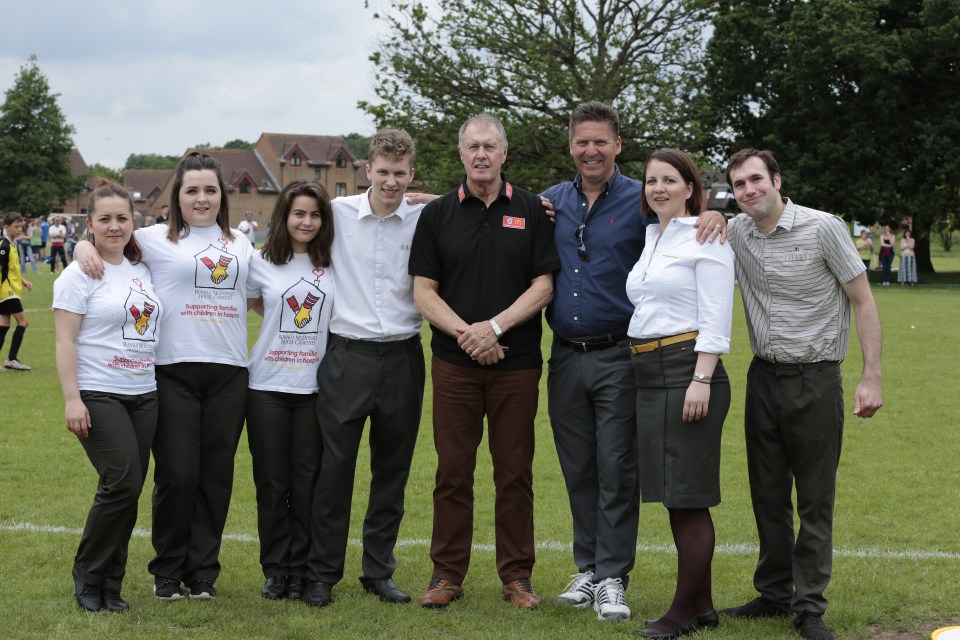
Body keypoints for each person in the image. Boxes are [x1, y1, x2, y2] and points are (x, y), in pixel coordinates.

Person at [541, 103, 728, 621]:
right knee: (578, 467)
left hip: (623, 356)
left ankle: (613, 576)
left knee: (617, 468)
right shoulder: (553, 200)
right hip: (564, 356)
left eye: (600, 141)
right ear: (572, 146)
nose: (590, 150)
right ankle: (588, 566)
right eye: (582, 142)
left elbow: (689, 222)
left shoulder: (642, 200)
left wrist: (715, 213)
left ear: (617, 144)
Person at [74, 152, 255, 601]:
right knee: (176, 475)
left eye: (209, 189)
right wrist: (81, 244)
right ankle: (168, 571)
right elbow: (105, 235)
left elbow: (260, 297)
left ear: (221, 195)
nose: (201, 197)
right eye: (191, 189)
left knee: (215, 476)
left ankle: (203, 574)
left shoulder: (241, 244)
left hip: (230, 373)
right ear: (177, 195)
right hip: (170, 373)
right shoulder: (152, 239)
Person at [719, 149, 883, 640]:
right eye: (739, 185)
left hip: (816, 379)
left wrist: (871, 375)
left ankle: (809, 606)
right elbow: (690, 225)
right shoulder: (737, 232)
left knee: (814, 499)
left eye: (756, 180)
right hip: (762, 378)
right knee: (767, 495)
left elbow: (863, 299)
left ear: (776, 180)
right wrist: (709, 213)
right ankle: (773, 593)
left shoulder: (823, 227)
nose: (749, 191)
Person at [409, 113, 559, 610]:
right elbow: (423, 292)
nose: (481, 154)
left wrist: (494, 328)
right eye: (472, 146)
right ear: (461, 154)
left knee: (514, 474)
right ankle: (447, 575)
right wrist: (469, 335)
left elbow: (544, 285)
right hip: (454, 366)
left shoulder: (534, 212)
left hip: (516, 367)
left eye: (490, 146)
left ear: (503, 154)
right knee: (453, 472)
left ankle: (517, 577)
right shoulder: (437, 216)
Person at [304, 130, 427, 608]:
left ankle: (378, 570)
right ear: (367, 171)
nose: (391, 181)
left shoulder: (424, 217)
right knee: (334, 471)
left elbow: (469, 204)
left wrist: (432, 197)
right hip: (346, 356)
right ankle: (322, 574)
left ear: (411, 174)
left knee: (391, 470)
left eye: (400, 174)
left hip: (402, 356)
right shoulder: (335, 216)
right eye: (383, 172)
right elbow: (287, 228)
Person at [626, 150, 734, 639]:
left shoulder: (705, 235)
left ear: (690, 187)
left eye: (670, 180)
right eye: (651, 180)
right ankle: (705, 604)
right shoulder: (654, 235)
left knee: (689, 498)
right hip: (649, 371)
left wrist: (702, 378)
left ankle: (681, 613)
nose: (658, 188)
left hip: (687, 369)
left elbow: (716, 313)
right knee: (675, 496)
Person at [53, 182, 163, 613]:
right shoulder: (78, 273)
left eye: (122, 218)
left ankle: (110, 583)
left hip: (144, 394)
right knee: (121, 480)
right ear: (90, 225)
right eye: (104, 219)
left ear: (133, 222)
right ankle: (88, 573)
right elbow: (64, 341)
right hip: (99, 392)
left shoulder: (143, 269)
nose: (114, 226)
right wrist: (71, 399)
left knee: (128, 488)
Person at [246, 181, 335, 601]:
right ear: (283, 216)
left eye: (315, 215)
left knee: (307, 485)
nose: (306, 222)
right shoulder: (260, 262)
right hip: (265, 387)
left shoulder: (335, 263)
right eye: (298, 213)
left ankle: (302, 569)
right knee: (271, 482)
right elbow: (249, 304)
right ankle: (275, 569)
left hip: (316, 391)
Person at [1, 212, 34, 371]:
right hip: (6, 291)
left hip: (11, 289)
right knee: (23, 322)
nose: (20, 229)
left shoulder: (13, 244)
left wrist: (24, 280)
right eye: (16, 226)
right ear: (6, 227)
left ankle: (10, 360)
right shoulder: (4, 246)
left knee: (4, 324)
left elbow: (11, 270)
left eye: (21, 226)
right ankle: (11, 359)